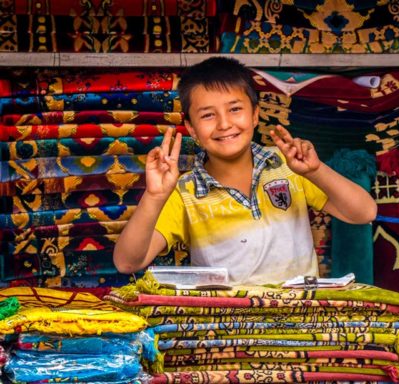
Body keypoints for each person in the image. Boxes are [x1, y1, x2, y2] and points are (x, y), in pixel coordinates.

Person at [113, 57, 377, 285]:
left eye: (235, 109)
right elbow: (127, 262)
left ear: (254, 115)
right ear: (191, 128)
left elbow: (364, 212)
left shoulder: (287, 165)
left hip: (298, 325)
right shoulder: (185, 192)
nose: (225, 124)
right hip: (224, 332)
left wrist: (316, 170)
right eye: (208, 115)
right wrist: (155, 196)